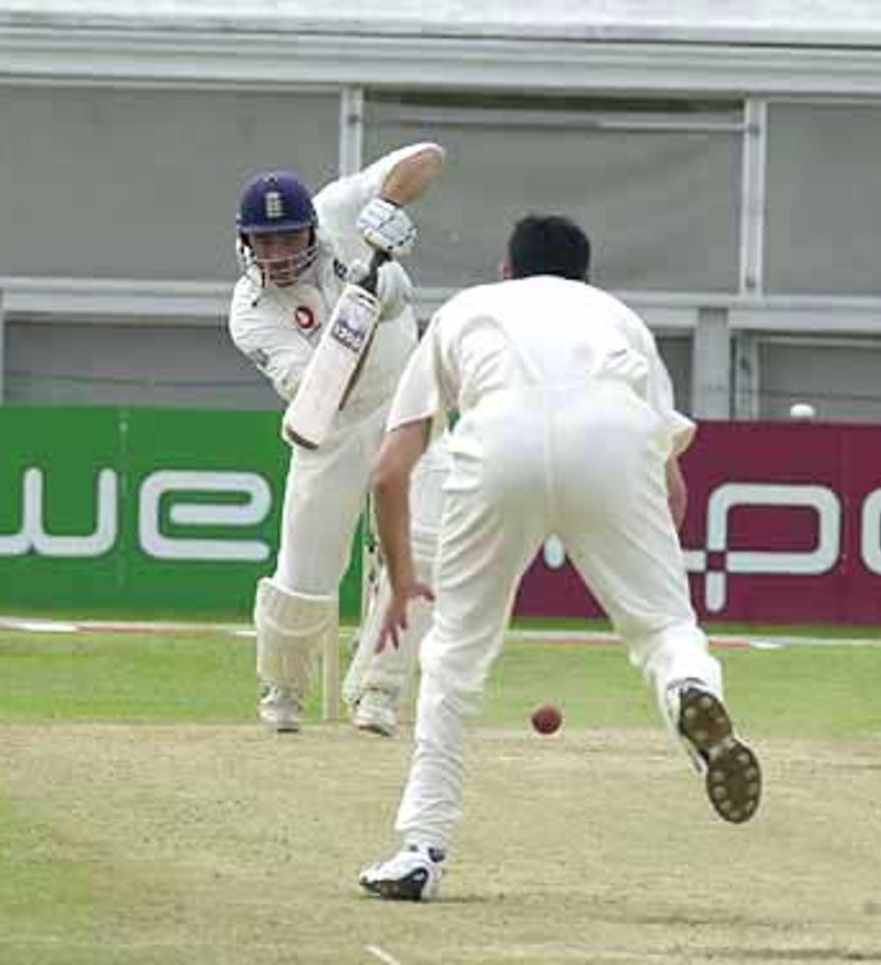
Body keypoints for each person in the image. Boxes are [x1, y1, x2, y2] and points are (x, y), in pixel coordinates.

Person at [358, 215, 761, 901]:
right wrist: (644, 578)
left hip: (497, 438)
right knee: (667, 630)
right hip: (612, 435)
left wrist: (401, 579)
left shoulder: (467, 309)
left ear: (507, 270)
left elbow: (390, 472)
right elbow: (673, 490)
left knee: (454, 651)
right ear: (585, 277)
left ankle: (421, 851)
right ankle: (691, 695)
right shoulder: (616, 317)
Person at [229, 142, 448, 734]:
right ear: (246, 242)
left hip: (410, 402)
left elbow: (429, 157)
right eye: (263, 241)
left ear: (311, 229)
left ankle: (378, 689)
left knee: (426, 544)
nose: (276, 254)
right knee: (305, 573)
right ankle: (283, 687)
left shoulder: (340, 211)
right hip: (331, 425)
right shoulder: (251, 313)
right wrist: (363, 307)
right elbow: (319, 395)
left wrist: (389, 207)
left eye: (289, 238)